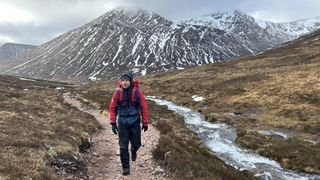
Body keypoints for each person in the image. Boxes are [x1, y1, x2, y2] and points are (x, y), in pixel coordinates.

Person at [109, 71, 149, 176]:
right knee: (122, 147)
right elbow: (112, 108)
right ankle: (126, 167)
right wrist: (113, 123)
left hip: (135, 122)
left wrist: (145, 122)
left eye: (127, 80)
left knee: (137, 144)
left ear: (130, 81)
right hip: (122, 123)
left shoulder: (137, 92)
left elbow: (143, 106)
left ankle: (134, 150)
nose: (125, 82)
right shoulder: (117, 93)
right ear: (121, 82)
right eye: (123, 80)